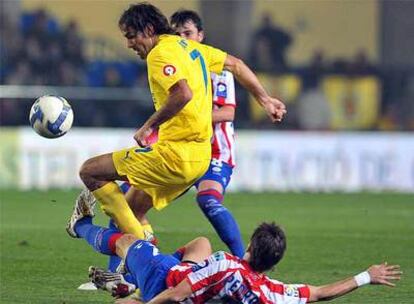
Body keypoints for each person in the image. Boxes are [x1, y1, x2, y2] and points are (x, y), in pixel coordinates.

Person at [67, 3, 287, 241]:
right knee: (129, 213)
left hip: (174, 156)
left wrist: (149, 125)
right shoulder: (190, 47)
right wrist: (264, 100)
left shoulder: (158, 55)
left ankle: (138, 247)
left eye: (131, 37)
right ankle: (130, 269)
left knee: (90, 172)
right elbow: (236, 65)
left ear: (149, 29)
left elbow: (182, 94)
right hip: (200, 158)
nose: (129, 44)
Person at [69, 194, 402, 303]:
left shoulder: (226, 265)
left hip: (166, 279)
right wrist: (366, 276)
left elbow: (178, 291)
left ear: (249, 248)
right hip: (190, 278)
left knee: (130, 242)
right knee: (201, 242)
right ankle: (130, 284)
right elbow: (318, 293)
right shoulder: (269, 292)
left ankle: (79, 225)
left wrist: (145, 301)